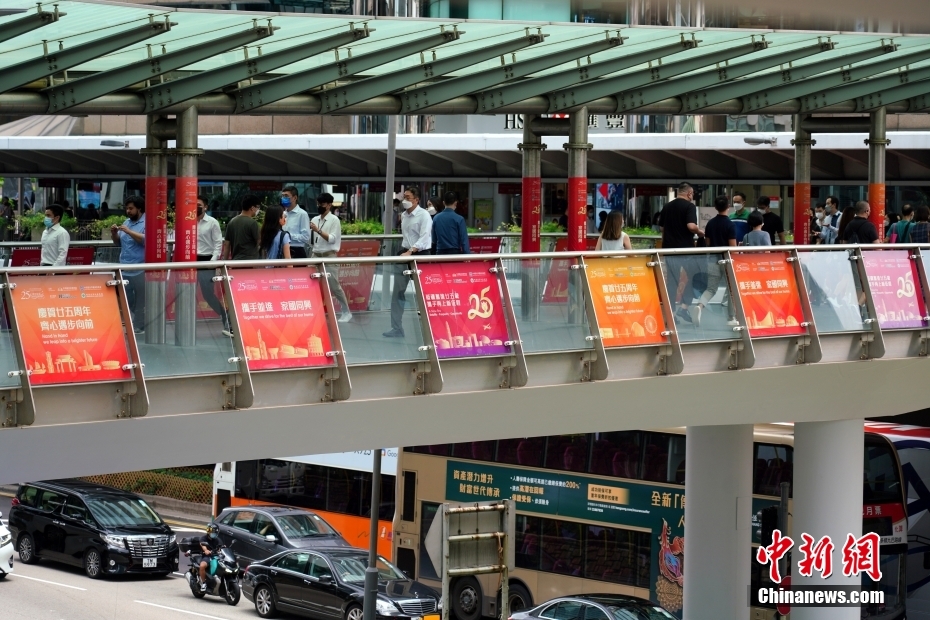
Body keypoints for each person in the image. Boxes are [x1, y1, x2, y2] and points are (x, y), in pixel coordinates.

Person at [383, 187, 431, 338]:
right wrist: (406, 251)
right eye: (404, 197)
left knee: (423, 293)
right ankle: (396, 327)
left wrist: (411, 251)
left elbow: (424, 237)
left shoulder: (424, 215)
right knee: (397, 292)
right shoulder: (404, 215)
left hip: (420, 255)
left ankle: (430, 327)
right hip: (404, 254)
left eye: (408, 198)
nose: (405, 200)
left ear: (417, 199)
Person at [659, 182, 704, 324]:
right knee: (697, 277)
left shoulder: (667, 206)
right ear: (689, 193)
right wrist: (699, 231)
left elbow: (661, 228)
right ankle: (684, 308)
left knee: (672, 282)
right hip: (686, 250)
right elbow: (691, 226)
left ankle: (671, 314)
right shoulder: (689, 206)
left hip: (669, 249)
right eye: (693, 194)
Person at [692, 195, 738, 327]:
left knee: (711, 289)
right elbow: (732, 248)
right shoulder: (730, 225)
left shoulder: (710, 224)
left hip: (712, 260)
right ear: (728, 207)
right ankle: (731, 318)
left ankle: (700, 306)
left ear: (716, 207)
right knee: (731, 290)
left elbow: (708, 243)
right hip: (727, 261)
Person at [310, 193, 353, 323]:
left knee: (334, 286)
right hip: (315, 255)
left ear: (329, 205)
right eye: (318, 203)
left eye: (322, 204)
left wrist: (318, 230)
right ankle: (313, 311)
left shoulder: (334, 220)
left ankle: (346, 311)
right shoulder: (315, 219)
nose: (319, 206)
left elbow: (332, 239)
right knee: (310, 283)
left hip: (329, 255)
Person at [195, 196, 231, 337]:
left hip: (206, 260)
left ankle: (225, 316)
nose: (196, 207)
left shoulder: (212, 223)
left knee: (207, 294)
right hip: (190, 260)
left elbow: (218, 243)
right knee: (187, 292)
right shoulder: (188, 221)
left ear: (205, 207)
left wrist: (213, 262)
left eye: (199, 205)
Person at [111, 197, 146, 333]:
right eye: (127, 208)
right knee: (126, 298)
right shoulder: (127, 222)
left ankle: (139, 325)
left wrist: (129, 232)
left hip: (140, 267)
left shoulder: (147, 223)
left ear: (139, 208)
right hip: (125, 267)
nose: (128, 211)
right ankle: (139, 321)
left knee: (140, 299)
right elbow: (117, 242)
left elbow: (145, 241)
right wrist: (114, 233)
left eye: (131, 208)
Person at [223, 194, 261, 260]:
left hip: (236, 262)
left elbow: (227, 244)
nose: (258, 210)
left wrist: (225, 262)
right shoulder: (253, 223)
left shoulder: (232, 222)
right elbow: (259, 242)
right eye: (257, 207)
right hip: (250, 263)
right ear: (252, 208)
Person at [432, 191, 470, 255]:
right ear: (455, 203)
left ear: (443, 203)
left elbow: (434, 239)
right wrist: (467, 254)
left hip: (440, 252)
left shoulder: (436, 218)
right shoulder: (459, 219)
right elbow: (464, 240)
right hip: (455, 253)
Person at [280, 185, 310, 259]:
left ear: (295, 198)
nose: (283, 198)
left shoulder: (302, 214)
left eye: (286, 196)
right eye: (282, 196)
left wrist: (287, 236)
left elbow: (306, 237)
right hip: (283, 250)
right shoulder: (283, 213)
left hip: (297, 250)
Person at [196, 523, 223, 591]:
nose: (214, 533)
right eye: (213, 532)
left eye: (215, 532)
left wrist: (221, 549)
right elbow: (203, 546)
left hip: (217, 556)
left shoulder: (217, 539)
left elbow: (220, 547)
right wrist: (206, 550)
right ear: (209, 531)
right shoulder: (203, 538)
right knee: (202, 566)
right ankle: (204, 583)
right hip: (207, 556)